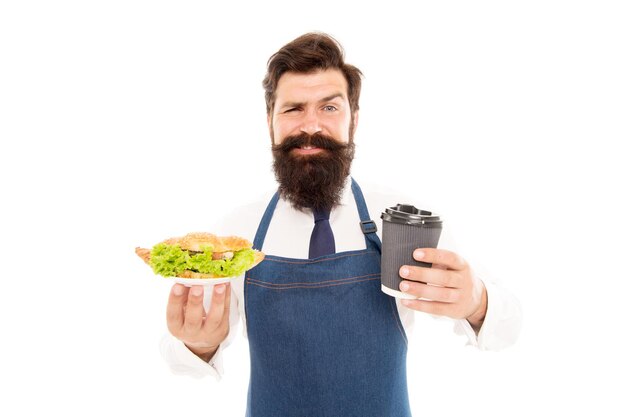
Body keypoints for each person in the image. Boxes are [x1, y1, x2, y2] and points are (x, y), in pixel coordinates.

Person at [160, 32, 522, 416]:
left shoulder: (401, 222)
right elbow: (180, 357)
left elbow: (507, 327)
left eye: (329, 108)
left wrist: (476, 302)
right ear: (270, 121)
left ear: (354, 118)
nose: (311, 126)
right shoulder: (236, 235)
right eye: (293, 109)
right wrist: (197, 345)